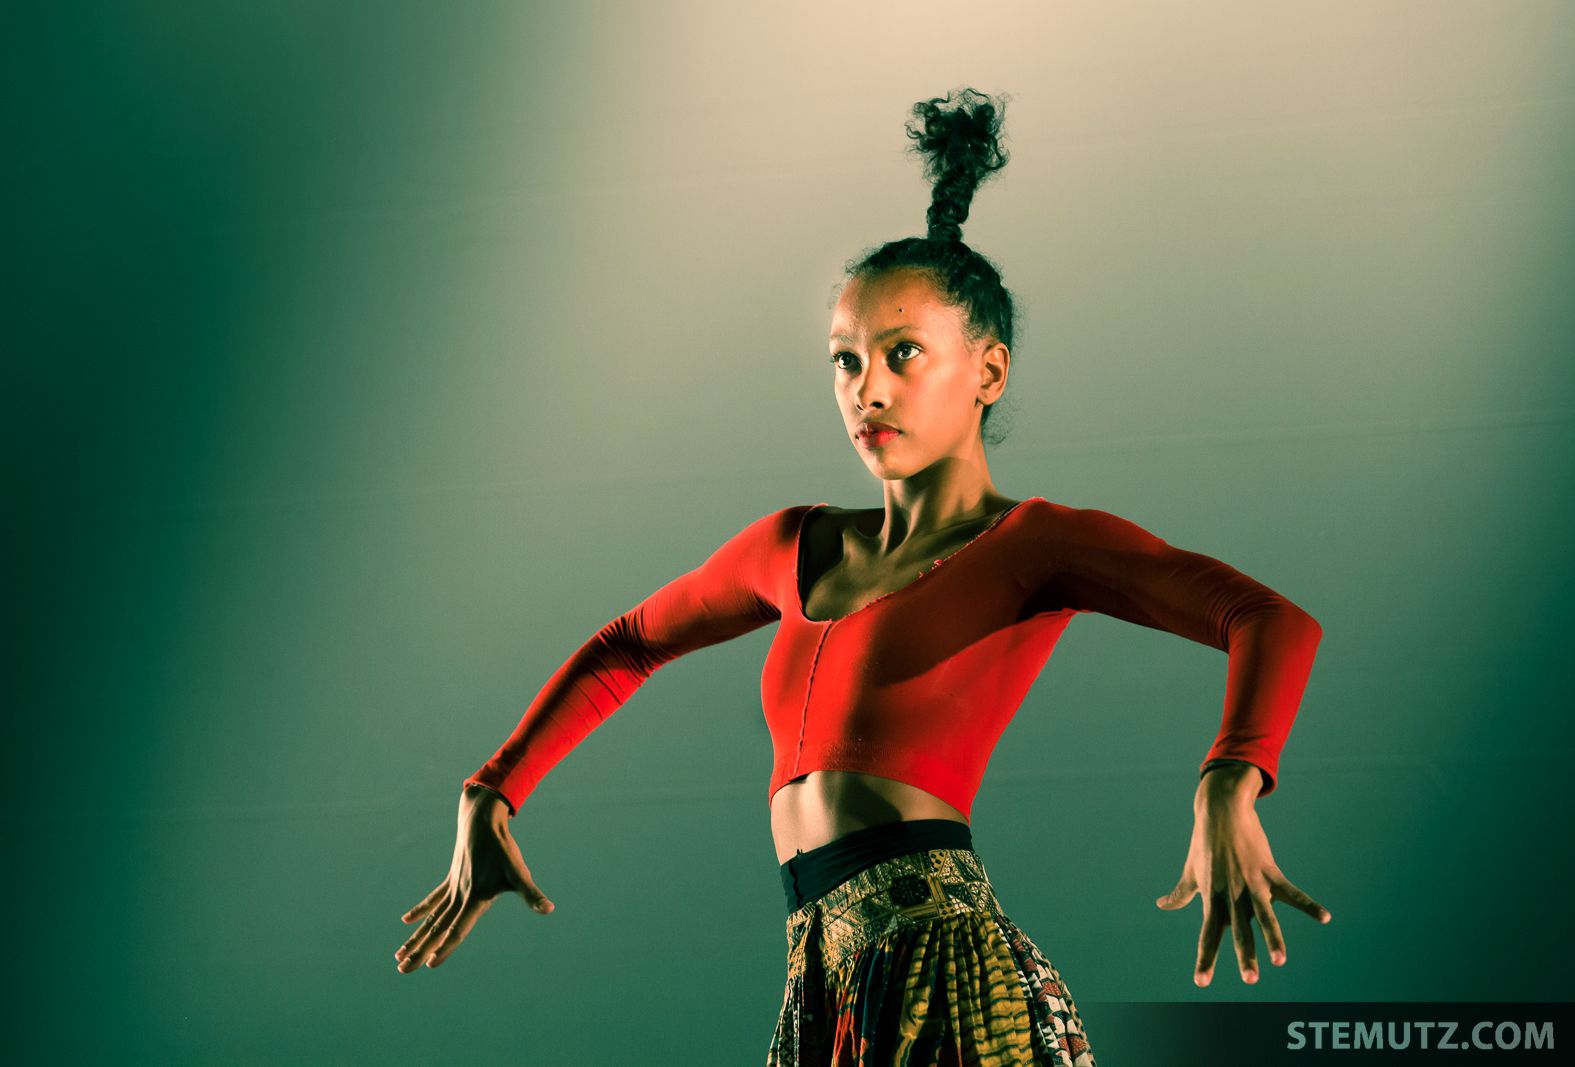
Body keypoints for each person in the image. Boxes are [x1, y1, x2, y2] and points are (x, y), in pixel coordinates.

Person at [395, 87, 1330, 1066]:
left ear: (989, 371)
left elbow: (1267, 618)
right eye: (846, 360)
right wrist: (493, 788)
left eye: (901, 354)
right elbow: (628, 644)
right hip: (823, 983)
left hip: (944, 976)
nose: (866, 388)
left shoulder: (1034, 544)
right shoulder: (789, 545)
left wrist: (1227, 781)